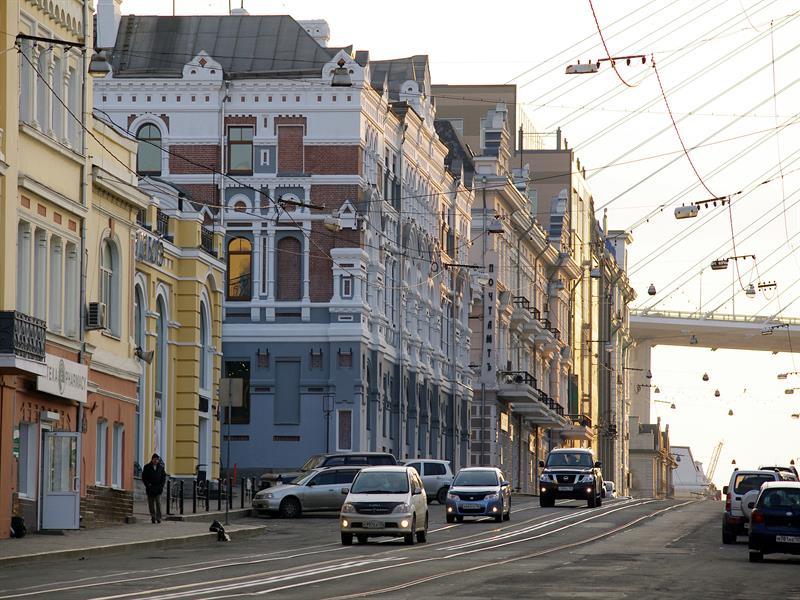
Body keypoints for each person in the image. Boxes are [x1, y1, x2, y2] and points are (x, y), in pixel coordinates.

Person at [142, 453, 167, 524]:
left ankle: (158, 517)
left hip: (158, 488)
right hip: (150, 488)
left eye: (157, 460)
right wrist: (148, 485)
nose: (156, 461)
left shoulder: (161, 468)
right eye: (155, 459)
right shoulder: (147, 467)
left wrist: (161, 486)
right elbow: (144, 477)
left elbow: (163, 477)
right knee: (151, 503)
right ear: (152, 459)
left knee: (158, 503)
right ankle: (153, 516)